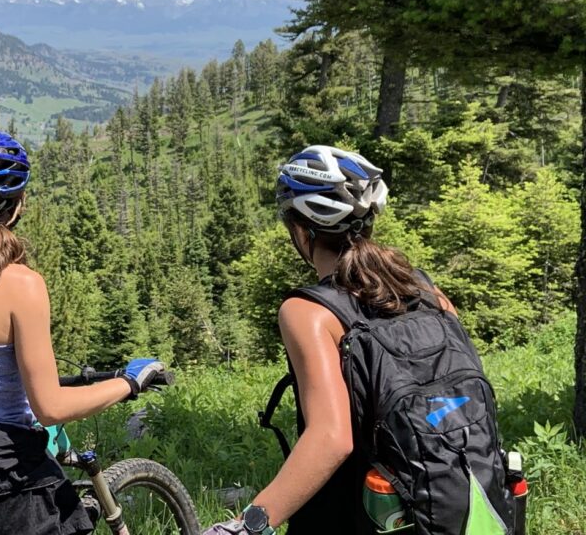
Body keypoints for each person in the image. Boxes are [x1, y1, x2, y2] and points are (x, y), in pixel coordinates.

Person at [205, 144, 508, 535]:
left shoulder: (308, 311)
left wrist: (249, 524)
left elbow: (331, 439)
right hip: (455, 499)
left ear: (302, 230)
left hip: (357, 514)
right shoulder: (427, 291)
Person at [0, 128, 167, 535]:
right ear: (18, 205)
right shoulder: (23, 284)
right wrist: (130, 383)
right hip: (6, 487)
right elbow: (50, 408)